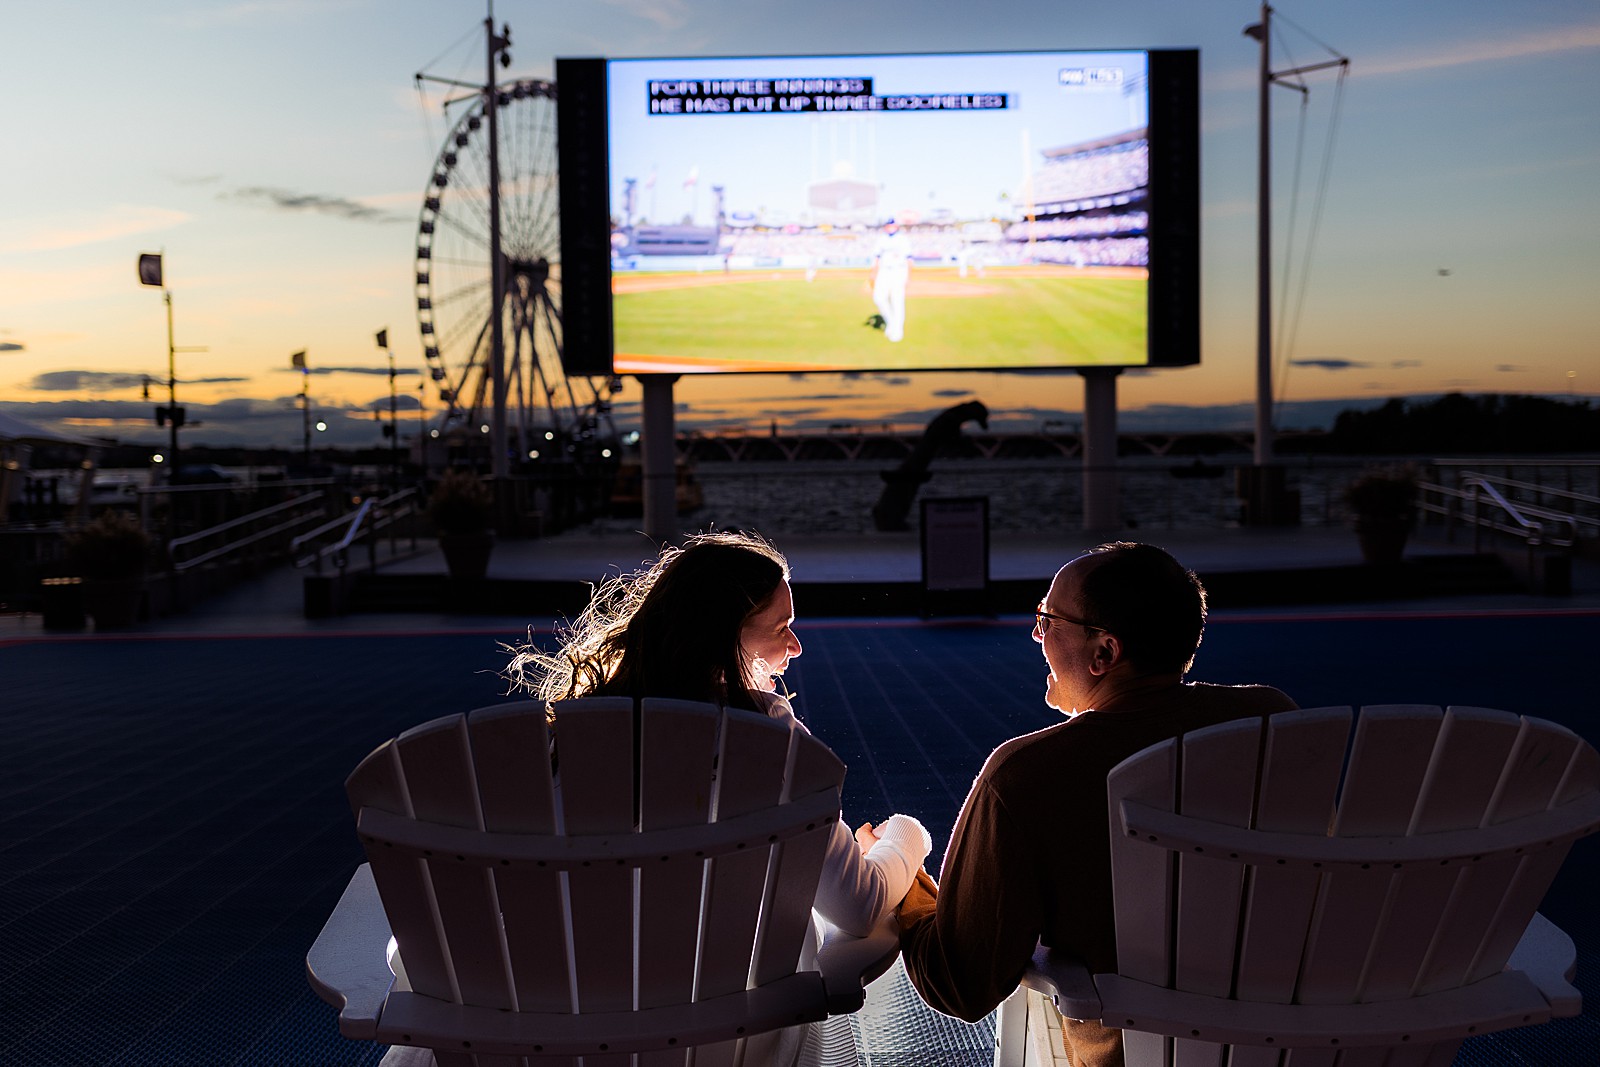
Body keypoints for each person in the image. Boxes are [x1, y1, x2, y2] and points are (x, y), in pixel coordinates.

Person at [505, 530, 932, 1066]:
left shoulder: (569, 736)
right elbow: (858, 904)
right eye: (782, 629)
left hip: (561, 1036)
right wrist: (906, 835)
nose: (796, 647)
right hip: (726, 1040)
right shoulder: (766, 739)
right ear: (724, 638)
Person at [894, 542, 1297, 1067]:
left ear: (1104, 653)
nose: (1036, 633)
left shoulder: (1029, 774)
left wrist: (904, 882)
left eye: (1048, 618)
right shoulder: (1273, 722)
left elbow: (961, 983)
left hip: (1135, 1050)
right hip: (1289, 1040)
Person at [869, 217, 911, 342]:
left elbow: (909, 258)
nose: (891, 227)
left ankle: (897, 330)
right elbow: (876, 257)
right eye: (888, 225)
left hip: (899, 271)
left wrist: (909, 276)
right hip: (884, 271)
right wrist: (873, 273)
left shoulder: (903, 239)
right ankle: (891, 322)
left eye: (893, 225)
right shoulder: (881, 239)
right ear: (885, 226)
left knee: (897, 301)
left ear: (896, 226)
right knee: (878, 298)